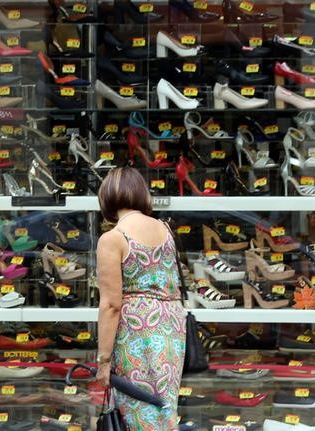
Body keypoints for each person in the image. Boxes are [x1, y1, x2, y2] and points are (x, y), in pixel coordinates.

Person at [95, 167, 186, 430]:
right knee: (163, 408)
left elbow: (111, 305)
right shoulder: (165, 230)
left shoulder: (113, 238)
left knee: (140, 412)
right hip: (171, 327)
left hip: (137, 330)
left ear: (107, 196)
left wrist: (103, 361)